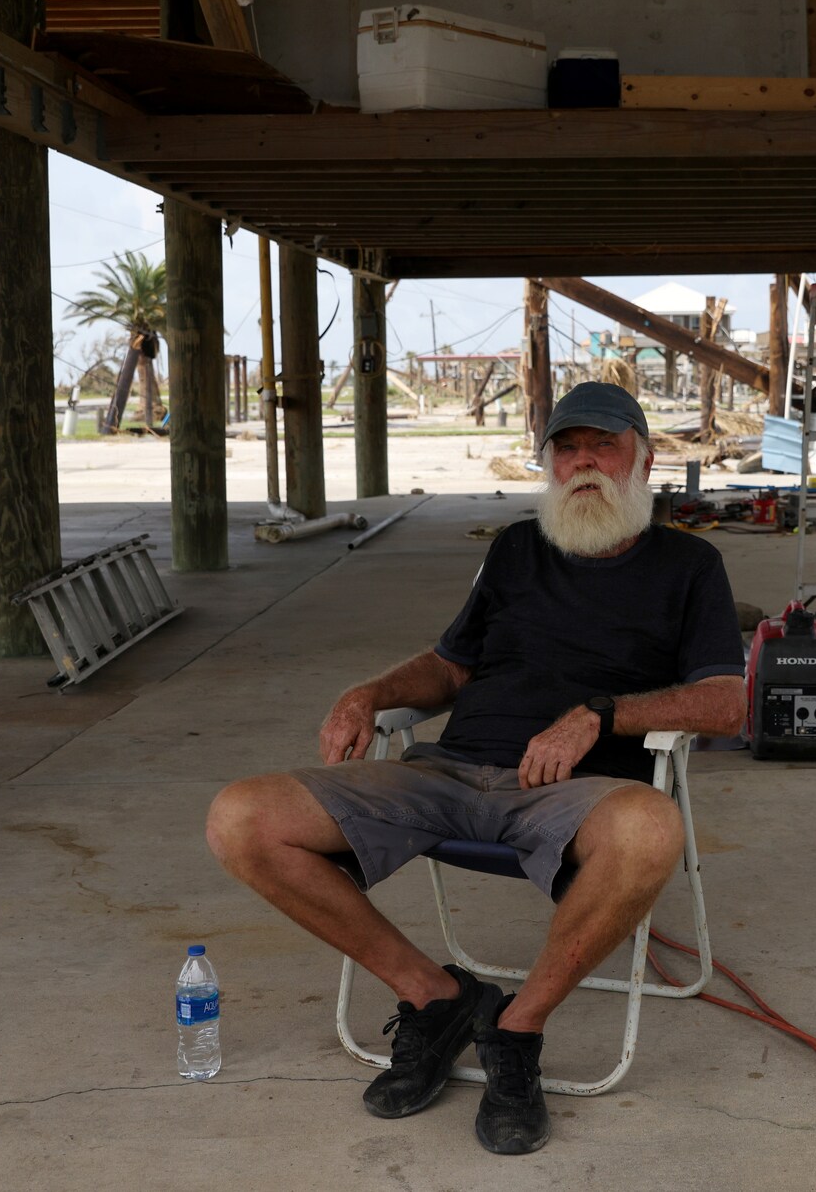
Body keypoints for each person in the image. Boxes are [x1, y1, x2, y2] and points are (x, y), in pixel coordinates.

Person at [206, 382, 746, 1155]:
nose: (583, 460)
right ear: (548, 462)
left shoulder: (690, 565)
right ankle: (437, 996)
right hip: (449, 770)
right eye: (566, 447)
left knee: (651, 829)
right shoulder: (516, 549)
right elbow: (450, 669)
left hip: (577, 791)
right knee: (241, 818)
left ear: (645, 458)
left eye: (604, 445)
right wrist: (371, 694)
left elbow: (727, 702)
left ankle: (516, 1030)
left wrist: (603, 714)